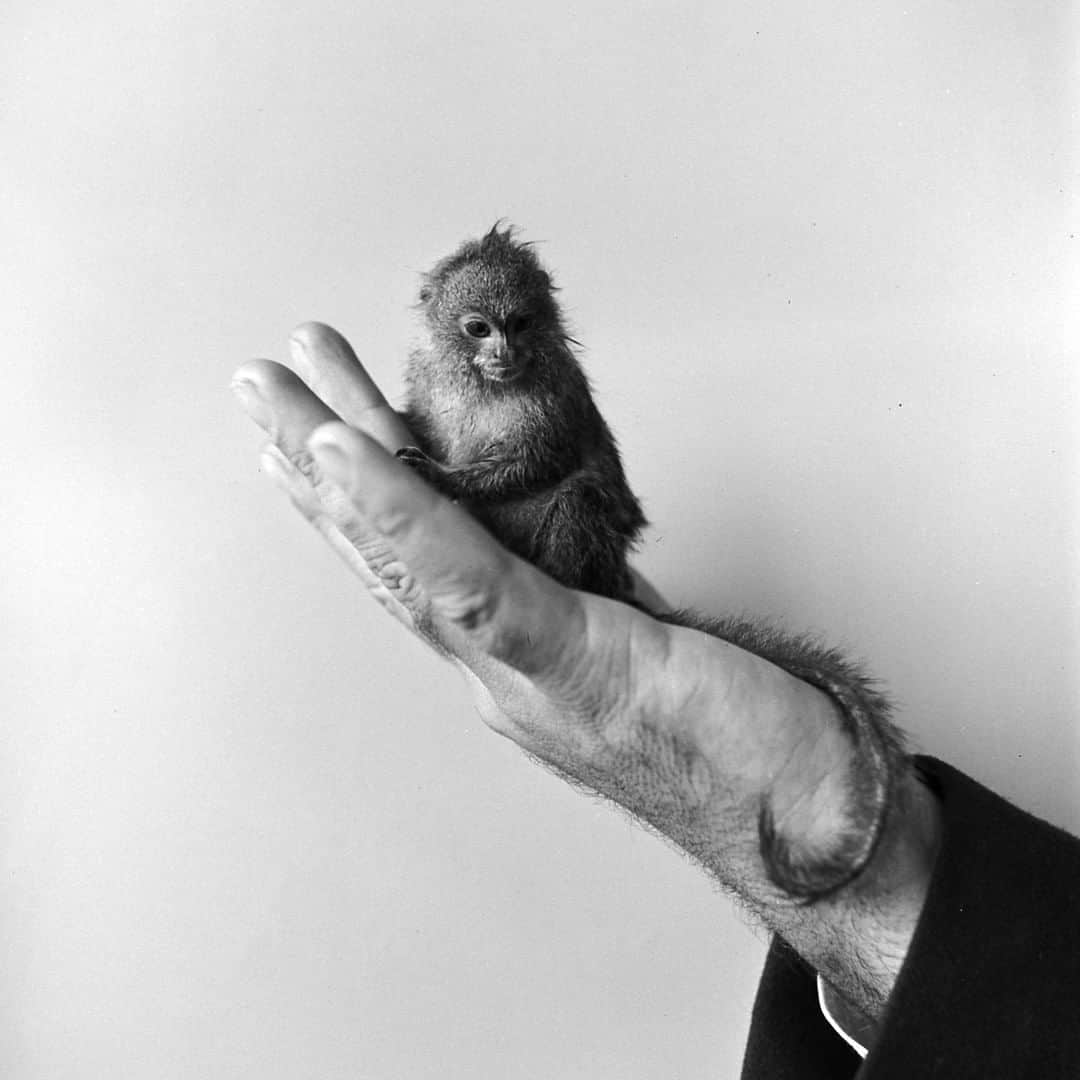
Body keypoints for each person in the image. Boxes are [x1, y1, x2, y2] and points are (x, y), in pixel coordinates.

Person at [232, 322, 1080, 1078]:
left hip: (574, 516)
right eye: (478, 331)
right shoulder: (437, 382)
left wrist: (828, 822)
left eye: (517, 328)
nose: (500, 351)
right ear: (441, 327)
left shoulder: (548, 387)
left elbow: (531, 463)